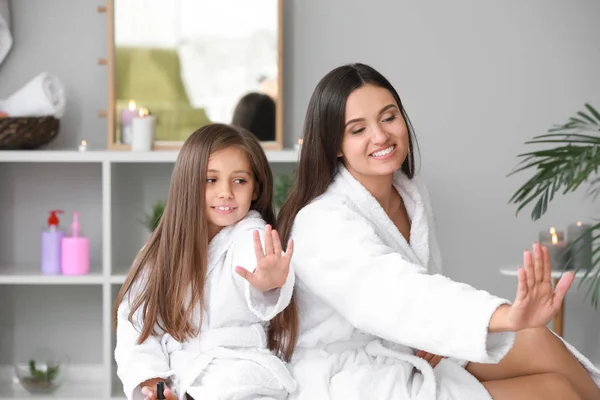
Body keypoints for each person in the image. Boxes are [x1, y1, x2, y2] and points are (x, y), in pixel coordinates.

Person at [274, 63, 600, 399]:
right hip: (353, 372)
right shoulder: (321, 221)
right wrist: (505, 315)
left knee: (537, 339)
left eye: (388, 117)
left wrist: (438, 333)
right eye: (358, 130)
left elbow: (423, 290)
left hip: (411, 342)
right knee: (555, 391)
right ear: (335, 145)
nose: (381, 136)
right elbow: (392, 291)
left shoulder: (410, 193)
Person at [113, 124, 297, 400]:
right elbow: (136, 325)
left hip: (243, 372)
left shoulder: (252, 235)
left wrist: (268, 284)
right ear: (188, 183)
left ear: (256, 189)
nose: (226, 192)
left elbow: (254, 264)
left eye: (239, 181)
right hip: (180, 375)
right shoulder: (161, 251)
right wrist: (153, 384)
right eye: (211, 180)